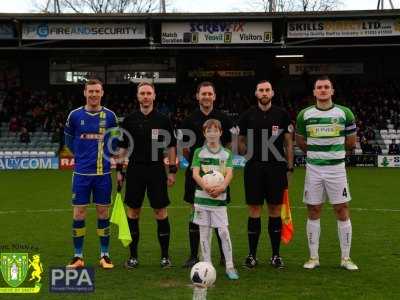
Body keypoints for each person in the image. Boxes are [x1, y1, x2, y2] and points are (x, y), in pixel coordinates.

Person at [296, 75, 359, 271]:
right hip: (314, 169)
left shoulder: (345, 113)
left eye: (326, 87)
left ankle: (346, 258)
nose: (323, 90)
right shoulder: (304, 115)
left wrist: (331, 154)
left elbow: (350, 142)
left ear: (332, 91)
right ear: (314, 92)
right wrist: (317, 154)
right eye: (319, 87)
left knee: (341, 209)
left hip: (336, 169)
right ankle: (313, 257)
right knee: (313, 210)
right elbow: (300, 141)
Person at [116, 82, 177, 269]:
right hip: (135, 169)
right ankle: (133, 257)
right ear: (137, 96)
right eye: (142, 93)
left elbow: (171, 146)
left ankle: (165, 257)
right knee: (133, 212)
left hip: (157, 169)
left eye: (148, 93)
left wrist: (172, 170)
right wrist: (119, 170)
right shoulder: (129, 120)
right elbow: (123, 147)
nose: (145, 96)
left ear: (154, 96)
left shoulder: (163, 119)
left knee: (160, 211)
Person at [179, 81, 236, 268]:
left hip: (220, 177)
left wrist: (219, 172)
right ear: (197, 96)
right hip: (197, 175)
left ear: (214, 96)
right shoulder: (188, 120)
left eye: (209, 94)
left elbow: (229, 146)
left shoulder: (224, 119)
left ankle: (222, 256)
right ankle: (193, 255)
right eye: (203, 94)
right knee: (195, 213)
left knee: (220, 215)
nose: (206, 97)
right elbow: (186, 149)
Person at [238, 80, 294, 269]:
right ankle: (252, 255)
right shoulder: (247, 116)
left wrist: (290, 167)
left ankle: (275, 255)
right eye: (261, 90)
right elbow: (240, 141)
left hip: (276, 169)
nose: (264, 93)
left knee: (275, 211)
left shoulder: (282, 114)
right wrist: (248, 154)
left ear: (272, 93)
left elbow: (288, 143)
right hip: (253, 169)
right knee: (254, 210)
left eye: (267, 90)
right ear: (256, 93)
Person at [64, 79, 118, 269]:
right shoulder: (75, 115)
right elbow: (69, 142)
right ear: (85, 93)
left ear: (102, 93)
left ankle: (105, 255)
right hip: (81, 174)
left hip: (103, 174)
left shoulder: (110, 116)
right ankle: (77, 256)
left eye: (97, 91)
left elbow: (114, 143)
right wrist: (82, 156)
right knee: (79, 214)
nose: (94, 94)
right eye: (90, 91)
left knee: (103, 213)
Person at [191, 119, 239, 280]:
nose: (212, 133)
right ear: (204, 134)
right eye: (208, 131)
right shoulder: (199, 152)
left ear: (220, 132)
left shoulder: (227, 153)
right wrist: (206, 187)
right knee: (204, 233)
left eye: (215, 130)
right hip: (202, 200)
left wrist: (222, 187)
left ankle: (230, 266)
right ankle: (207, 265)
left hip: (219, 200)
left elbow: (230, 173)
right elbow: (195, 174)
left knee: (224, 232)